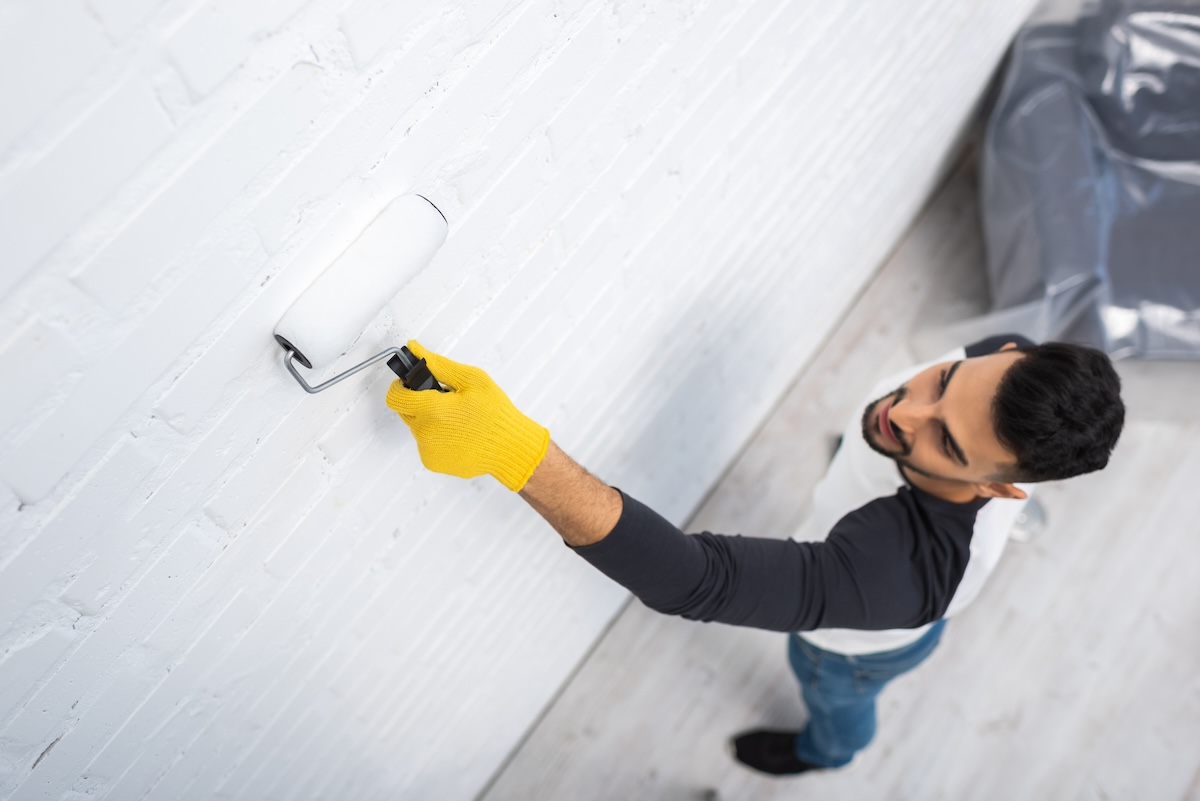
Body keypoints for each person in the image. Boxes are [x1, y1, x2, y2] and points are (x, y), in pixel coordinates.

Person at [383, 334, 1124, 776]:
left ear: (998, 487)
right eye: (940, 384)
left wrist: (513, 452)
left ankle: (827, 755)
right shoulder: (1005, 362)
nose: (900, 410)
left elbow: (693, 579)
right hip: (880, 544)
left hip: (861, 646)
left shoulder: (886, 572)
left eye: (945, 443)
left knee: (835, 695)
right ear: (1009, 354)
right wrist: (884, 452)